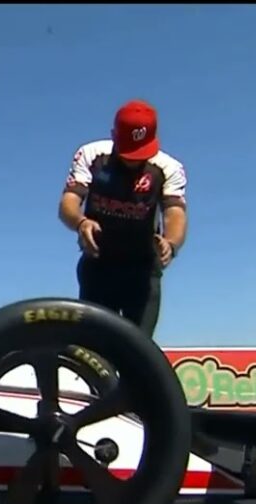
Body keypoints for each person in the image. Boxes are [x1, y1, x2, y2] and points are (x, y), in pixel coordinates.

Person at [57, 99, 188, 337]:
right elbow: (68, 203)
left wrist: (171, 243)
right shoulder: (91, 154)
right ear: (113, 135)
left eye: (141, 153)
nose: (133, 159)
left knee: (138, 348)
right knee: (94, 345)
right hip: (98, 264)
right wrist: (80, 222)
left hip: (143, 270)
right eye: (128, 150)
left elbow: (175, 212)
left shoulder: (169, 167)